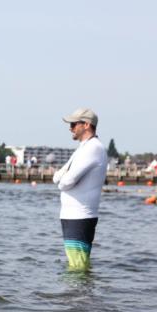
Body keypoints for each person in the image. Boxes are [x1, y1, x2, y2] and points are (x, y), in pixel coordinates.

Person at [53, 108, 108, 271]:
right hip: (72, 215)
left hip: (80, 215)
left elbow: (65, 181)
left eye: (73, 124)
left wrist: (62, 179)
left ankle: (80, 296)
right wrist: (62, 178)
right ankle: (77, 295)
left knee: (78, 267)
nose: (70, 128)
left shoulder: (94, 148)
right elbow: (57, 176)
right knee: (75, 266)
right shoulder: (83, 148)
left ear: (86, 125)